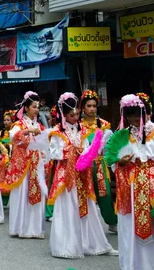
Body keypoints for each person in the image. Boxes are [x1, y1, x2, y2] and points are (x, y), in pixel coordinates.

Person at [105, 93, 154, 270]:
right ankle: (133, 265)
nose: (134, 118)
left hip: (152, 186)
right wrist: (121, 162)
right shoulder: (123, 135)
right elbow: (112, 160)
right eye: (129, 115)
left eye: (137, 114)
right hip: (130, 186)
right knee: (129, 224)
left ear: (145, 112)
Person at [48, 92, 117, 258]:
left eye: (77, 114)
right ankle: (67, 246)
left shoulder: (83, 130)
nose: (75, 117)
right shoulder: (57, 132)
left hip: (82, 175)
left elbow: (87, 149)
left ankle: (92, 244)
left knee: (88, 208)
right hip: (66, 177)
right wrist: (71, 151)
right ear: (64, 114)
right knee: (68, 208)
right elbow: (54, 153)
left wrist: (92, 149)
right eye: (72, 115)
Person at [3, 91, 47, 239]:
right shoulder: (19, 124)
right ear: (26, 108)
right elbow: (14, 137)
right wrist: (28, 131)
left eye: (38, 107)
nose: (36, 109)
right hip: (23, 164)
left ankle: (35, 229)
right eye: (34, 106)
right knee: (22, 194)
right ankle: (20, 227)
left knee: (36, 193)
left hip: (37, 163)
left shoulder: (40, 125)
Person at [80, 89, 118, 234]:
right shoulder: (78, 125)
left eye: (94, 106)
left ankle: (112, 221)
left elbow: (110, 148)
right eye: (89, 106)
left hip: (99, 164)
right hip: (84, 165)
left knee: (105, 194)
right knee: (85, 194)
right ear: (83, 107)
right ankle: (86, 225)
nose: (92, 109)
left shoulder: (104, 125)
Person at [0, 110, 14, 206]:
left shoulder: (13, 133)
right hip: (3, 159)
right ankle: (3, 199)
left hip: (11, 158)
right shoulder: (1, 133)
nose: (6, 122)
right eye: (5, 120)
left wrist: (9, 146)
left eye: (8, 120)